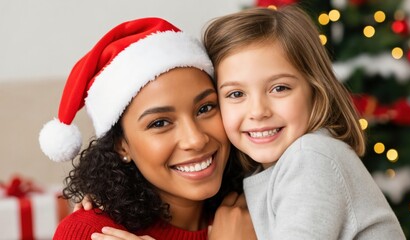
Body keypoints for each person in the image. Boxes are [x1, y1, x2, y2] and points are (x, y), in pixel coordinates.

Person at [38, 17, 255, 240]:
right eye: (160, 123)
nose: (195, 140)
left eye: (205, 108)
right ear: (121, 145)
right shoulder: (91, 232)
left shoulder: (262, 209)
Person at [202, 4, 406, 239]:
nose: (258, 111)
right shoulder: (271, 168)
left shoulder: (310, 155)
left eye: (279, 88)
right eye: (236, 94)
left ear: (315, 90)